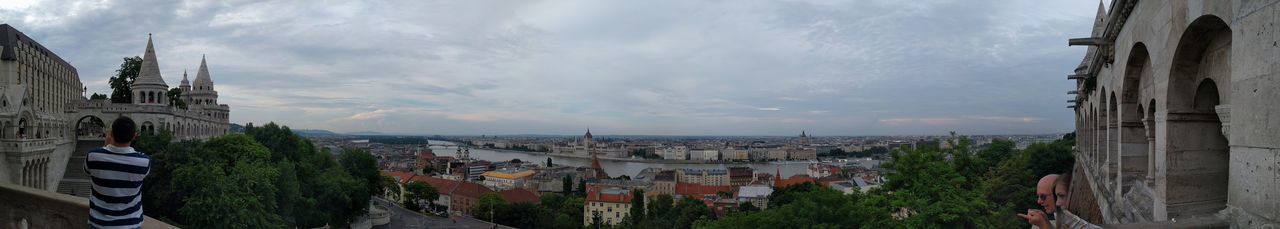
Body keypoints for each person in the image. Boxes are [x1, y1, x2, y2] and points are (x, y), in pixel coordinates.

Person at [85, 117, 151, 228]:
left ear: (111, 133)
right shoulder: (144, 162)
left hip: (99, 223)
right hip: (130, 224)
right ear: (134, 136)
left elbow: (87, 171)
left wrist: (105, 146)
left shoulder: (93, 156)